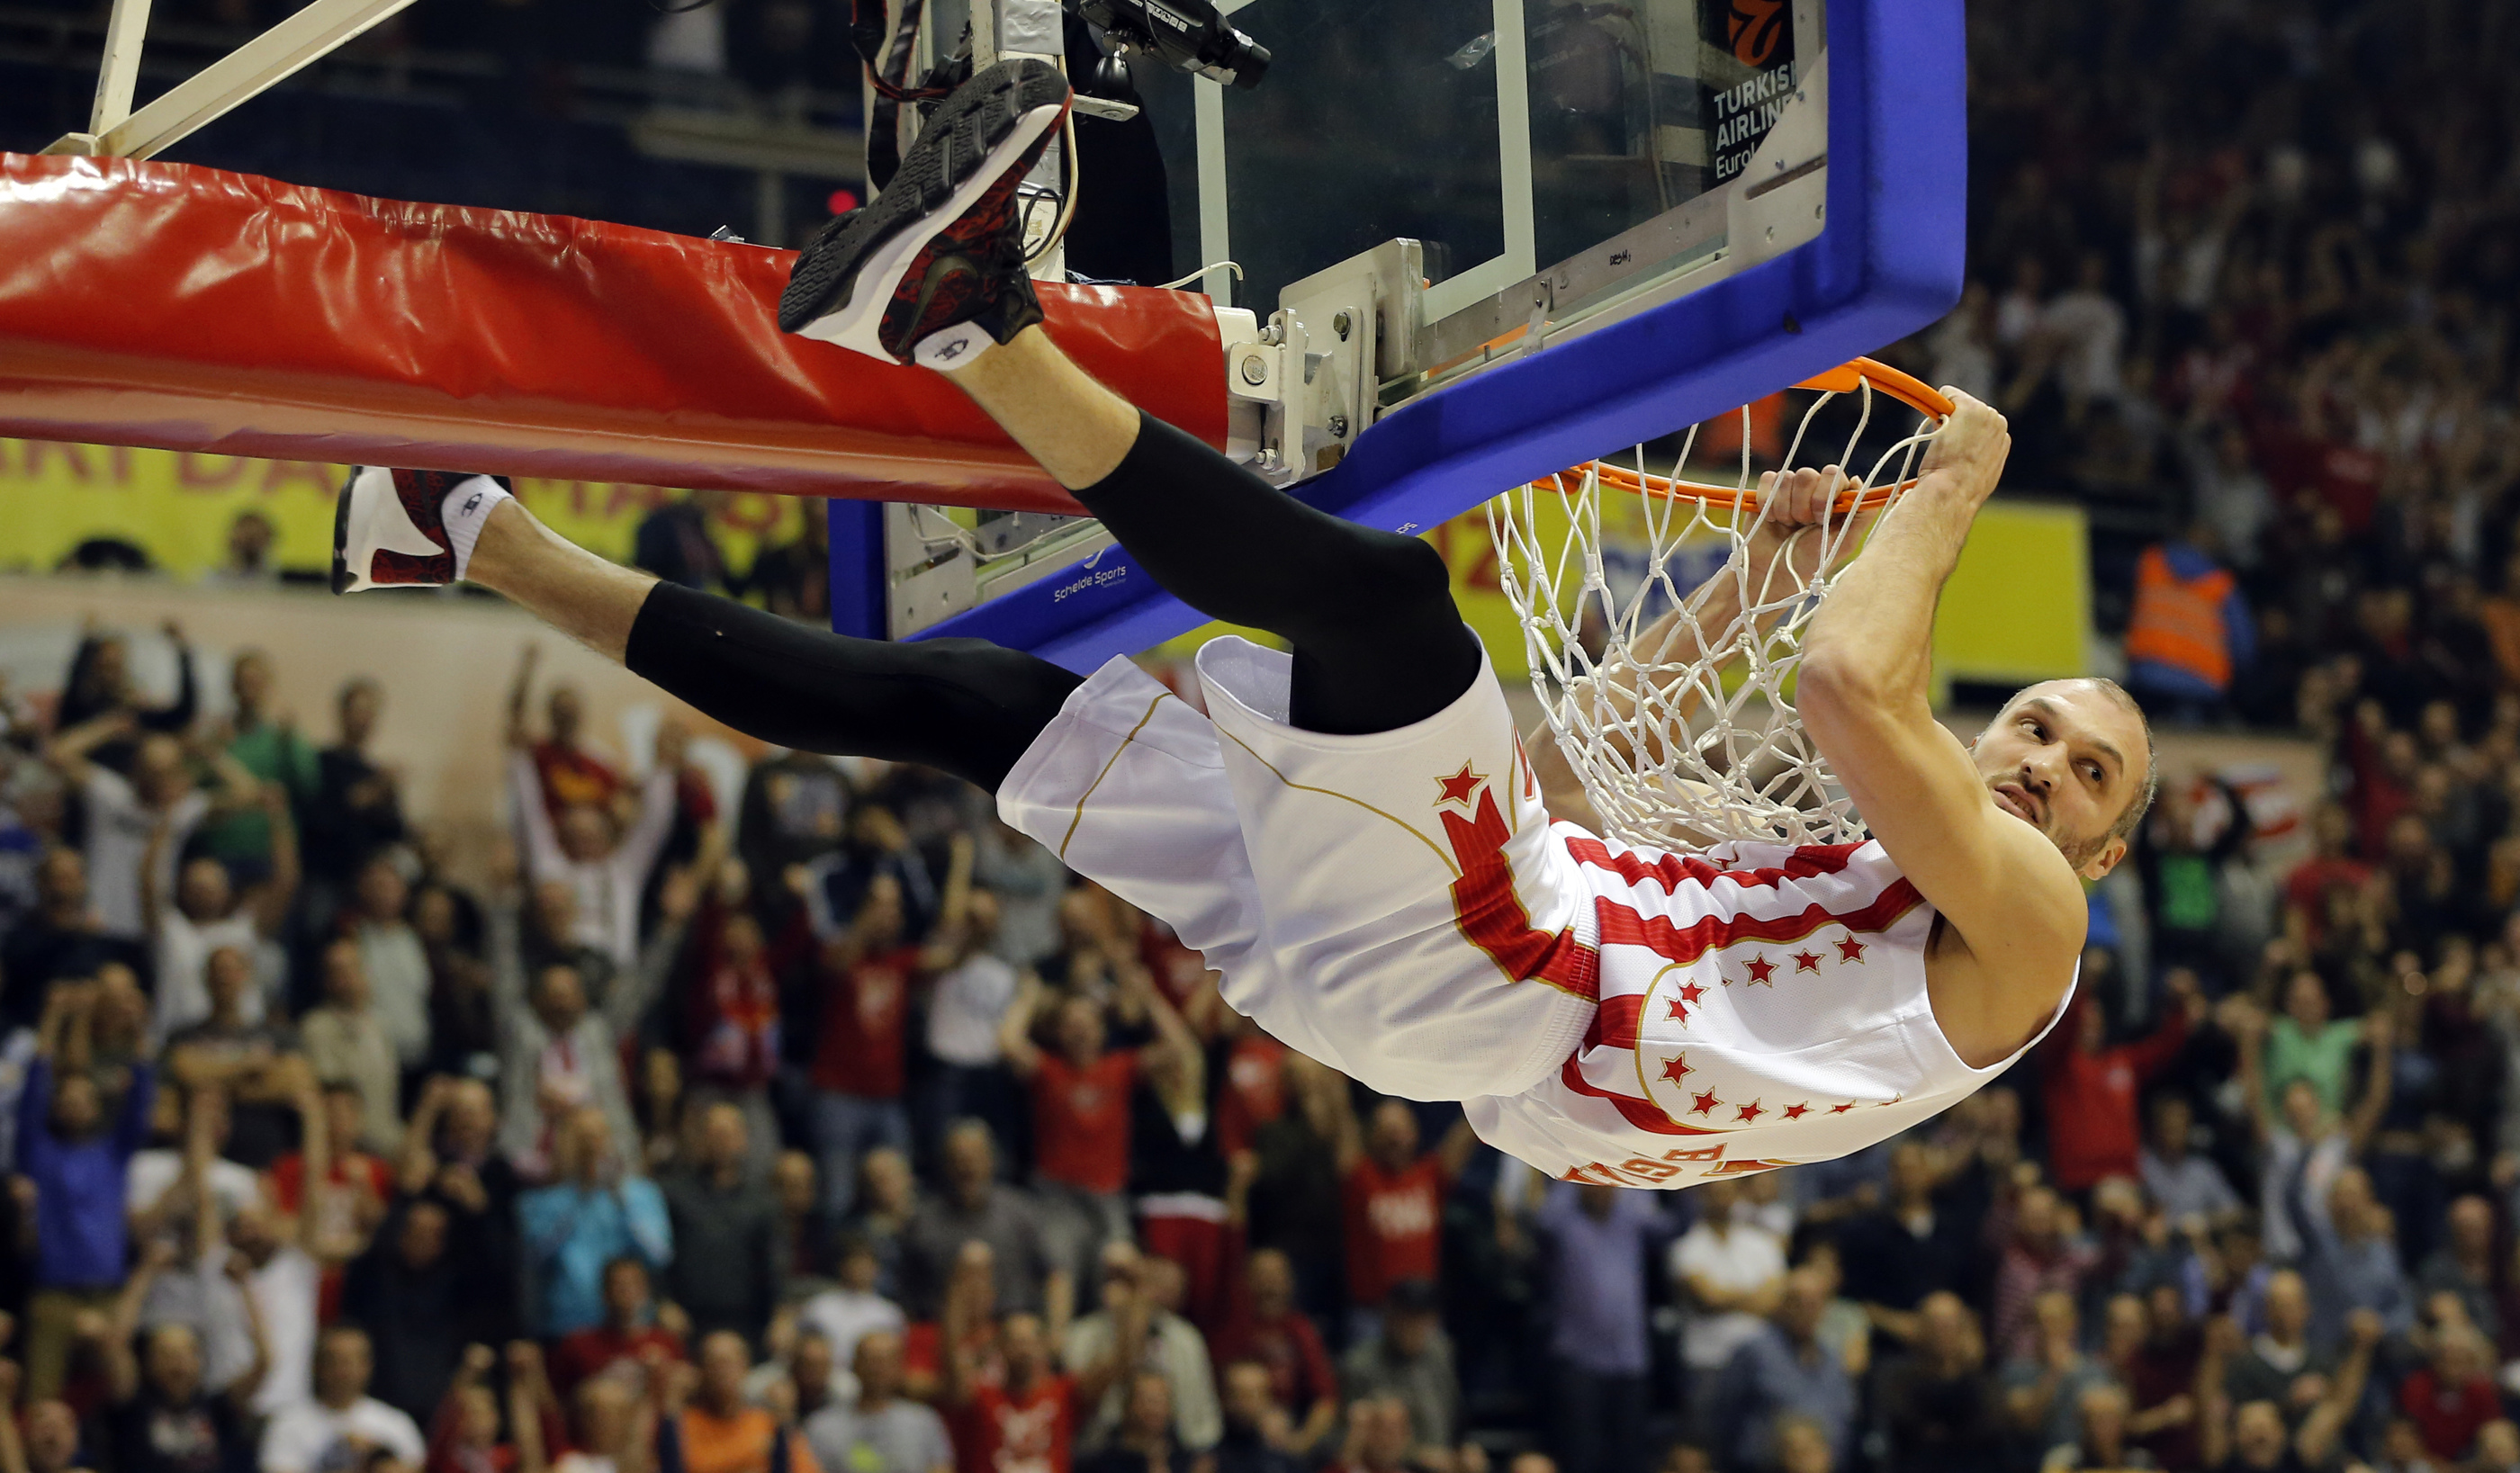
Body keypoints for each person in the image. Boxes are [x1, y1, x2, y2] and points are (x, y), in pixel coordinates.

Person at [327, 59, 2149, 1190]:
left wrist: (1945, 485)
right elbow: (1575, 760)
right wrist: (1751, 570)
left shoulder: (2027, 925)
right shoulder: (1836, 896)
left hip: (1499, 992)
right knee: (980, 704)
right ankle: (468, 539)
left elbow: (1850, 677)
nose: (2050, 761)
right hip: (1463, 983)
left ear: (2106, 842)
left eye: (2088, 767)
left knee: (1384, 603)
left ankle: (963, 314)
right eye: (2050, 728)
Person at [19, 981, 156, 1400]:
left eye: (85, 1097)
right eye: (68, 1097)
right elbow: (32, 1090)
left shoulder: (113, 1152)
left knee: (122, 1393)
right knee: (41, 1397)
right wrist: (54, 1017)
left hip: (108, 1295)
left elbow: (142, 1098)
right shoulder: (40, 1152)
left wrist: (139, 1031)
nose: (76, 1103)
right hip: (55, 1296)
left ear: (97, 1107)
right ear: (58, 1106)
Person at [258, 1325, 428, 1473]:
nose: (344, 1372)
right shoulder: (287, 1424)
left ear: (368, 1365)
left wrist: (378, 1454)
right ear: (317, 1365)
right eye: (335, 1361)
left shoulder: (396, 1423)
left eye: (352, 1361)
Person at [800, 1330, 951, 1473]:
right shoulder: (821, 1427)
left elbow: (941, 1468)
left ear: (899, 1366)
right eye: (870, 1360)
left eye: (886, 1360)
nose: (877, 1369)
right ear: (855, 1365)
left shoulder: (924, 1422)